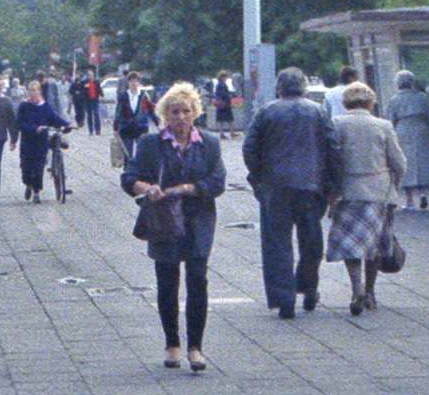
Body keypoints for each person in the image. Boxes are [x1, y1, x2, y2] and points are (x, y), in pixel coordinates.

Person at [120, 81, 228, 372]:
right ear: (165, 114)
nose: (180, 117)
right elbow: (129, 178)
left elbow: (217, 182)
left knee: (198, 281)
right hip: (164, 221)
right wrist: (147, 188)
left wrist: (189, 188)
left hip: (197, 220)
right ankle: (172, 343)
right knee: (167, 282)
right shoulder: (151, 143)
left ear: (195, 113)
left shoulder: (208, 143)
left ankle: (195, 347)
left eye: (186, 111)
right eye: (174, 112)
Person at [242, 66, 336, 319]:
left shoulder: (267, 112)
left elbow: (249, 148)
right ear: (304, 87)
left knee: (277, 244)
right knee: (311, 242)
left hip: (276, 188)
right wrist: (332, 184)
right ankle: (308, 287)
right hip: (311, 187)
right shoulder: (318, 111)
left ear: (278, 88)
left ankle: (284, 300)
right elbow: (333, 148)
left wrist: (259, 176)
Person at [326, 81, 408, 315]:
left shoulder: (336, 125)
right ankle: (370, 292)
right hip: (378, 193)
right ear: (370, 102)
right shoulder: (383, 126)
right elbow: (399, 163)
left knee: (351, 244)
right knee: (375, 244)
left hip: (347, 192)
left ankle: (356, 289)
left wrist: (330, 189)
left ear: (346, 103)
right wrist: (394, 187)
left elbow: (330, 159)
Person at [14, 80, 68, 203]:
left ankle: (36, 192)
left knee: (39, 168)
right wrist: (33, 129)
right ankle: (28, 184)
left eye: (35, 90)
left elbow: (54, 119)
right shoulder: (24, 106)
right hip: (27, 142)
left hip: (41, 142)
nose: (33, 93)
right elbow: (20, 123)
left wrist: (67, 124)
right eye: (31, 90)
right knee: (26, 169)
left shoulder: (45, 106)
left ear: (39, 91)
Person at [387, 71, 429, 198]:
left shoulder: (395, 100)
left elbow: (390, 119)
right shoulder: (422, 97)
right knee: (422, 161)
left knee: (405, 162)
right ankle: (423, 193)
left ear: (398, 83)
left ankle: (409, 199)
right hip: (421, 129)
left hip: (402, 129)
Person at [111, 71, 155, 166]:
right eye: (131, 81)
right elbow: (118, 112)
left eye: (135, 81)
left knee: (142, 152)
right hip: (126, 128)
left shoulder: (144, 95)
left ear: (139, 82)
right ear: (128, 83)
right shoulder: (123, 96)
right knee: (127, 154)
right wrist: (116, 127)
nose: (133, 83)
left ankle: (140, 171)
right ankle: (128, 171)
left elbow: (150, 109)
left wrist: (156, 122)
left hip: (141, 127)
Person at [70, 69, 102, 135]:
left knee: (96, 114)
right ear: (87, 76)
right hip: (88, 100)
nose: (90, 76)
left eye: (91, 75)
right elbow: (82, 90)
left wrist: (101, 94)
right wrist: (84, 94)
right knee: (89, 115)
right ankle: (91, 130)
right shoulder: (84, 82)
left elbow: (99, 89)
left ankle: (98, 130)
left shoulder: (96, 81)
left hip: (95, 100)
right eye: (89, 75)